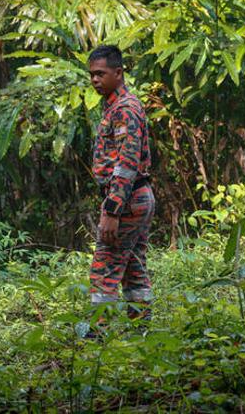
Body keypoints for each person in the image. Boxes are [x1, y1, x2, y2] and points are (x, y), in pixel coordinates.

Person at [88, 45, 155, 326]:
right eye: (91, 74)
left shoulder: (126, 109)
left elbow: (126, 164)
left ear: (119, 72)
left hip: (127, 199)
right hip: (136, 196)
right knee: (133, 266)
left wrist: (113, 210)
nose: (94, 80)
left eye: (100, 74)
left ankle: (97, 335)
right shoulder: (114, 106)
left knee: (104, 267)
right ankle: (141, 329)